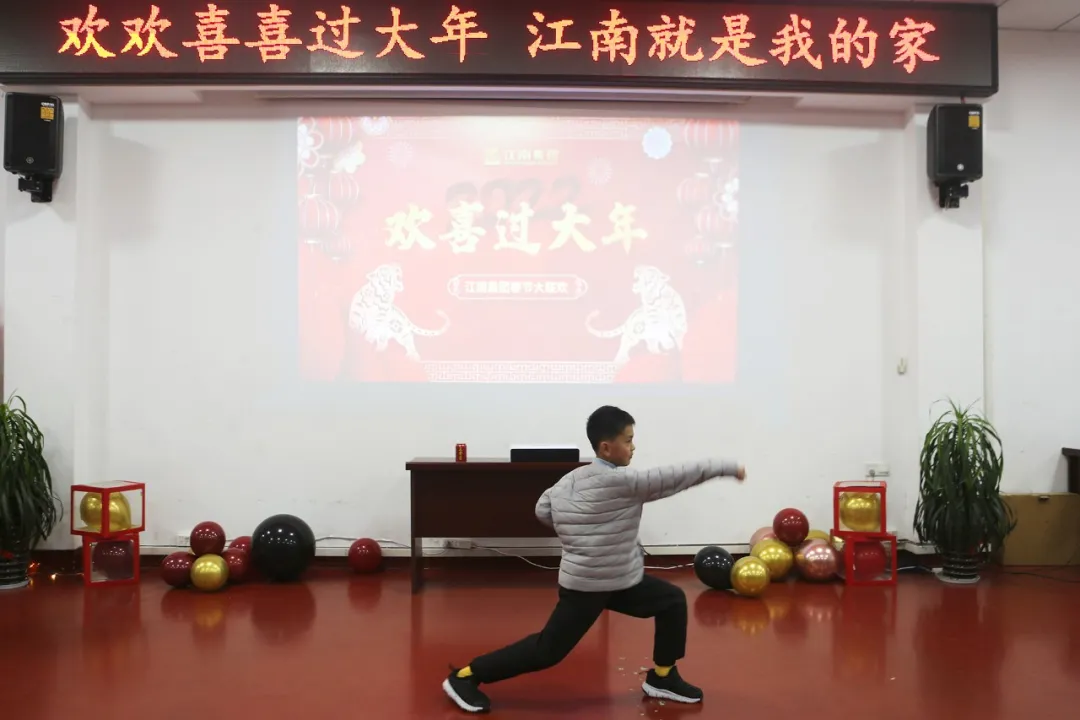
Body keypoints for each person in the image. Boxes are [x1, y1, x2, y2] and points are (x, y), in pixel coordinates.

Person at [442, 405, 746, 713]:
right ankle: (465, 677)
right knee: (547, 651)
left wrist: (579, 532)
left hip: (619, 581)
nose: (633, 447)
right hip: (587, 588)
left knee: (671, 601)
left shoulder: (570, 480)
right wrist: (727, 467)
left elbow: (542, 509)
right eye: (628, 440)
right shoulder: (626, 483)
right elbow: (676, 477)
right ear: (606, 447)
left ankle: (663, 677)